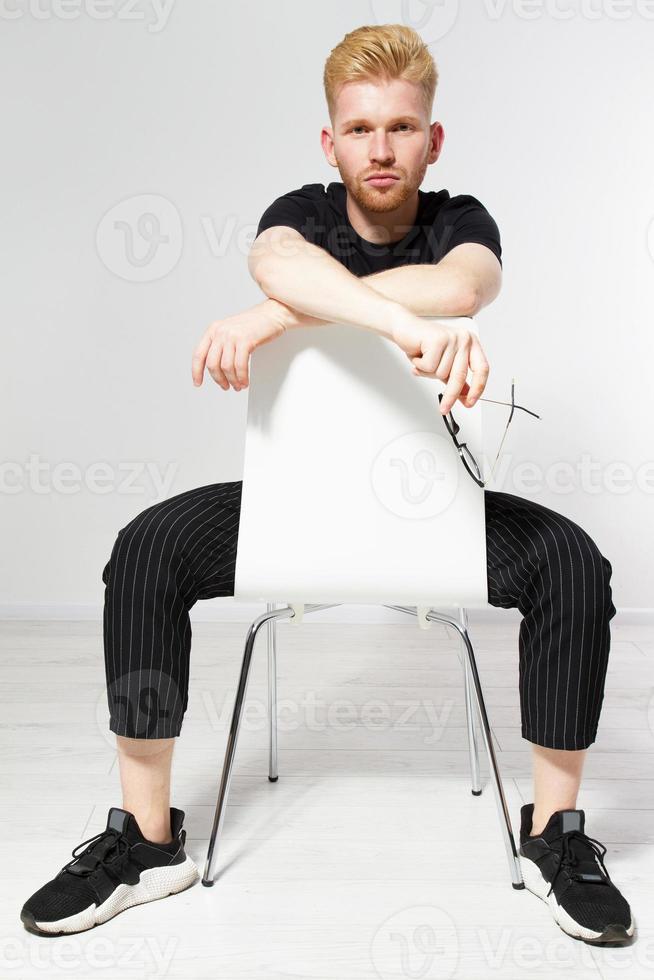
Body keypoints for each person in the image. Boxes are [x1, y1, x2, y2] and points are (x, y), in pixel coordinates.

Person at [21, 23, 633, 945]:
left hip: (436, 512)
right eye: (359, 129)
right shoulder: (297, 213)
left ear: (434, 138)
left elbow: (464, 287)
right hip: (291, 503)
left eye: (401, 128)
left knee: (575, 566)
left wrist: (286, 312)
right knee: (146, 549)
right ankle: (147, 842)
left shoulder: (462, 219)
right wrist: (377, 316)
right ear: (329, 141)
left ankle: (554, 836)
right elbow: (274, 258)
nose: (380, 149)